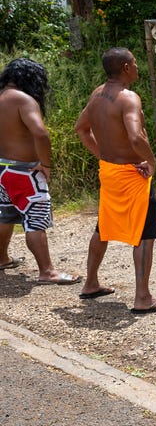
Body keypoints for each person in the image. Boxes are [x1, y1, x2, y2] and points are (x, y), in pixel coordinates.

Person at [74, 48, 156, 313]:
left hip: (109, 171)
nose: (138, 66)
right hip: (132, 174)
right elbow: (135, 137)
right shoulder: (128, 98)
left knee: (103, 227)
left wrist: (103, 154)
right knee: (144, 234)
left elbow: (81, 129)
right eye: (134, 62)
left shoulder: (97, 94)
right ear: (125, 67)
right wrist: (151, 161)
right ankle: (142, 298)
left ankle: (90, 283)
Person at [0, 58, 81, 285]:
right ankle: (47, 271)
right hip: (23, 171)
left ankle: (2, 258)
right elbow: (41, 134)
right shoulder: (23, 100)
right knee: (35, 219)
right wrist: (46, 164)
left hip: (1, 169)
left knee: (5, 214)